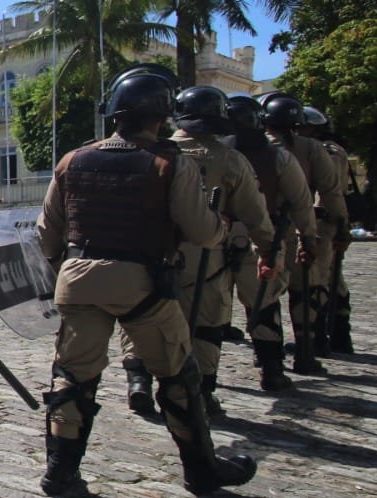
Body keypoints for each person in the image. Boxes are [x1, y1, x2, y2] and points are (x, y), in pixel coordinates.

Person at [36, 66, 254, 498]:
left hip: (78, 281)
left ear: (113, 114)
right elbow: (202, 230)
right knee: (178, 374)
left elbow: (46, 236)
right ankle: (201, 469)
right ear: (161, 115)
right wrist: (221, 225)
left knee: (72, 378)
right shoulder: (170, 163)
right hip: (143, 283)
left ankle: (60, 472)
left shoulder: (72, 160)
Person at [118, 86, 277, 420]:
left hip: (150, 251)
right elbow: (255, 213)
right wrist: (267, 250)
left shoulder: (153, 153)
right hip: (206, 254)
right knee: (206, 324)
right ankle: (201, 392)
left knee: (142, 317)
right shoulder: (230, 159)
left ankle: (139, 381)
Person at [223, 95, 316, 390]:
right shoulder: (278, 157)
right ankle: (271, 367)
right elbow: (301, 202)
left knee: (210, 309)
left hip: (216, 237)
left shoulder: (217, 154)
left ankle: (204, 380)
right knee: (263, 301)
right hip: (259, 234)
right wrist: (308, 237)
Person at [261, 93, 345, 374]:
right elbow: (331, 191)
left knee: (266, 292)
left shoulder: (257, 146)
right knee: (304, 289)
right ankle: (304, 349)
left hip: (266, 225)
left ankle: (269, 353)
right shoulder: (311, 148)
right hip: (299, 224)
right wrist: (339, 225)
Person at [301, 107, 354, 354]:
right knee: (332, 278)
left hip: (323, 220)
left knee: (319, 279)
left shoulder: (327, 152)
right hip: (328, 219)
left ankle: (320, 337)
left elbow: (329, 190)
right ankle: (338, 334)